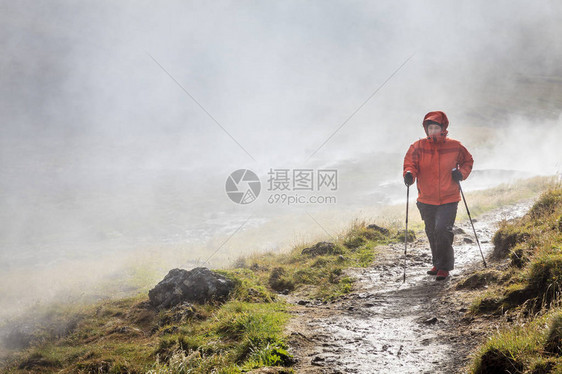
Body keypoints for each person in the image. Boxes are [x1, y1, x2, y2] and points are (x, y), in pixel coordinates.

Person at [403, 111, 474, 281]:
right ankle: (437, 263)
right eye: (430, 128)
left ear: (443, 129)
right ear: (426, 129)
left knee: (442, 230)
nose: (433, 131)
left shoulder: (455, 146)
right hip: (426, 199)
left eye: (436, 127)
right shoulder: (417, 146)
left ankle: (444, 267)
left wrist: (461, 174)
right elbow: (410, 164)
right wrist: (409, 174)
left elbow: (468, 161)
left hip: (449, 198)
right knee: (431, 232)